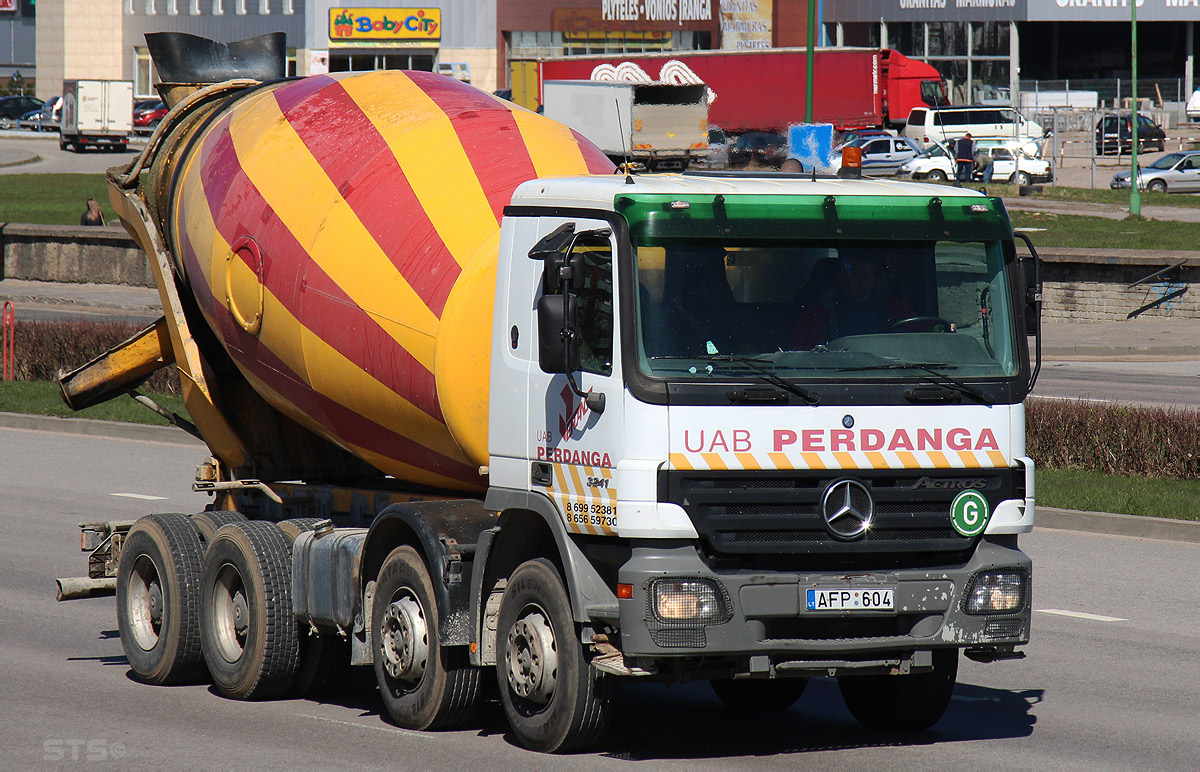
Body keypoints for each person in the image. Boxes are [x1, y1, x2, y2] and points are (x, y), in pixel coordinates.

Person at [794, 252, 914, 349]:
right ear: (842, 277)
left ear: (874, 275)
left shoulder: (896, 306)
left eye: (866, 276)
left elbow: (921, 340)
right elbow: (801, 356)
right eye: (855, 276)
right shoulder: (818, 312)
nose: (862, 283)